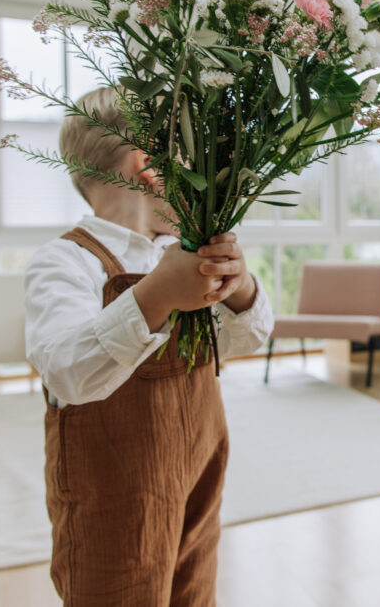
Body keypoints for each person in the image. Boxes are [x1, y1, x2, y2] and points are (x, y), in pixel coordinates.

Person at [24, 87, 273, 606]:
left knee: (194, 592)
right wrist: (157, 294)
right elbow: (66, 372)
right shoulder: (66, 261)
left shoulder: (179, 253)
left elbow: (245, 338)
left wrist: (240, 285)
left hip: (200, 474)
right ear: (149, 166)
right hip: (111, 499)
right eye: (192, 163)